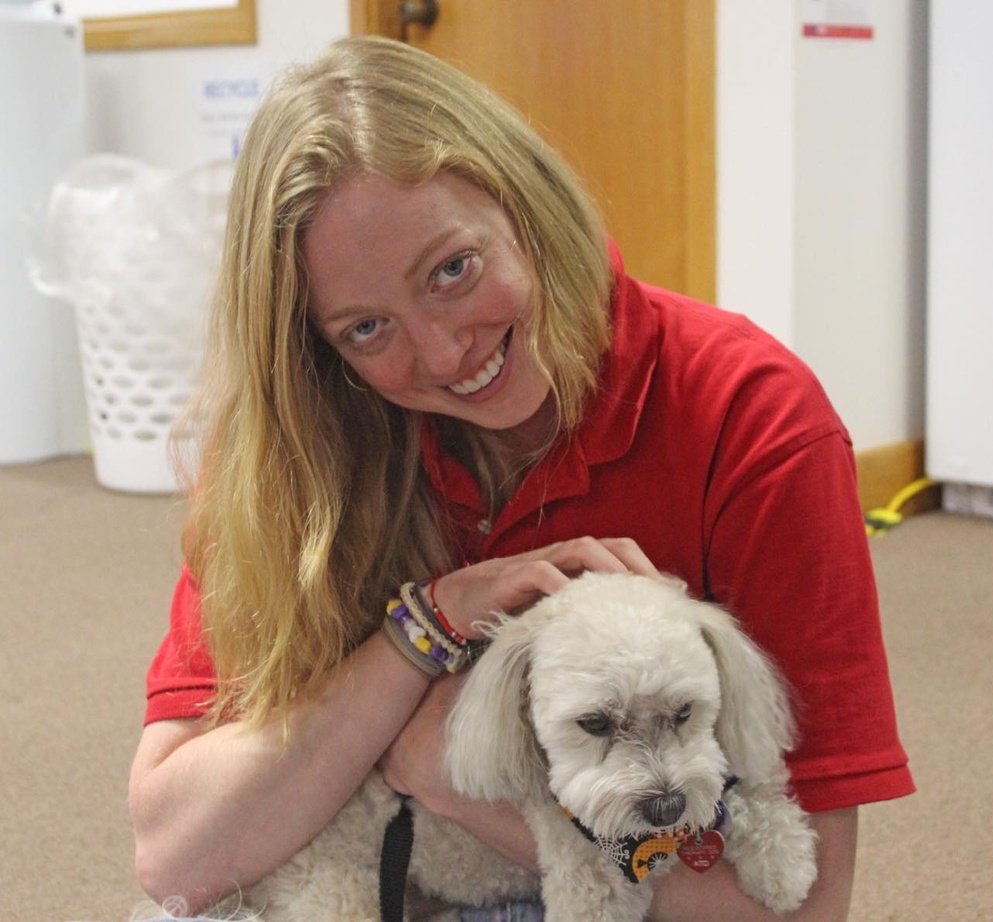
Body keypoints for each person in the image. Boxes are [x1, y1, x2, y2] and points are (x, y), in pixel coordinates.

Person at [128, 35, 914, 922]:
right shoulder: (289, 449)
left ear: (522, 201)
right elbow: (179, 856)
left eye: (452, 271)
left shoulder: (751, 417)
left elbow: (802, 910)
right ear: (316, 347)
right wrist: (420, 637)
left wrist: (455, 779)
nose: (442, 351)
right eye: (364, 330)